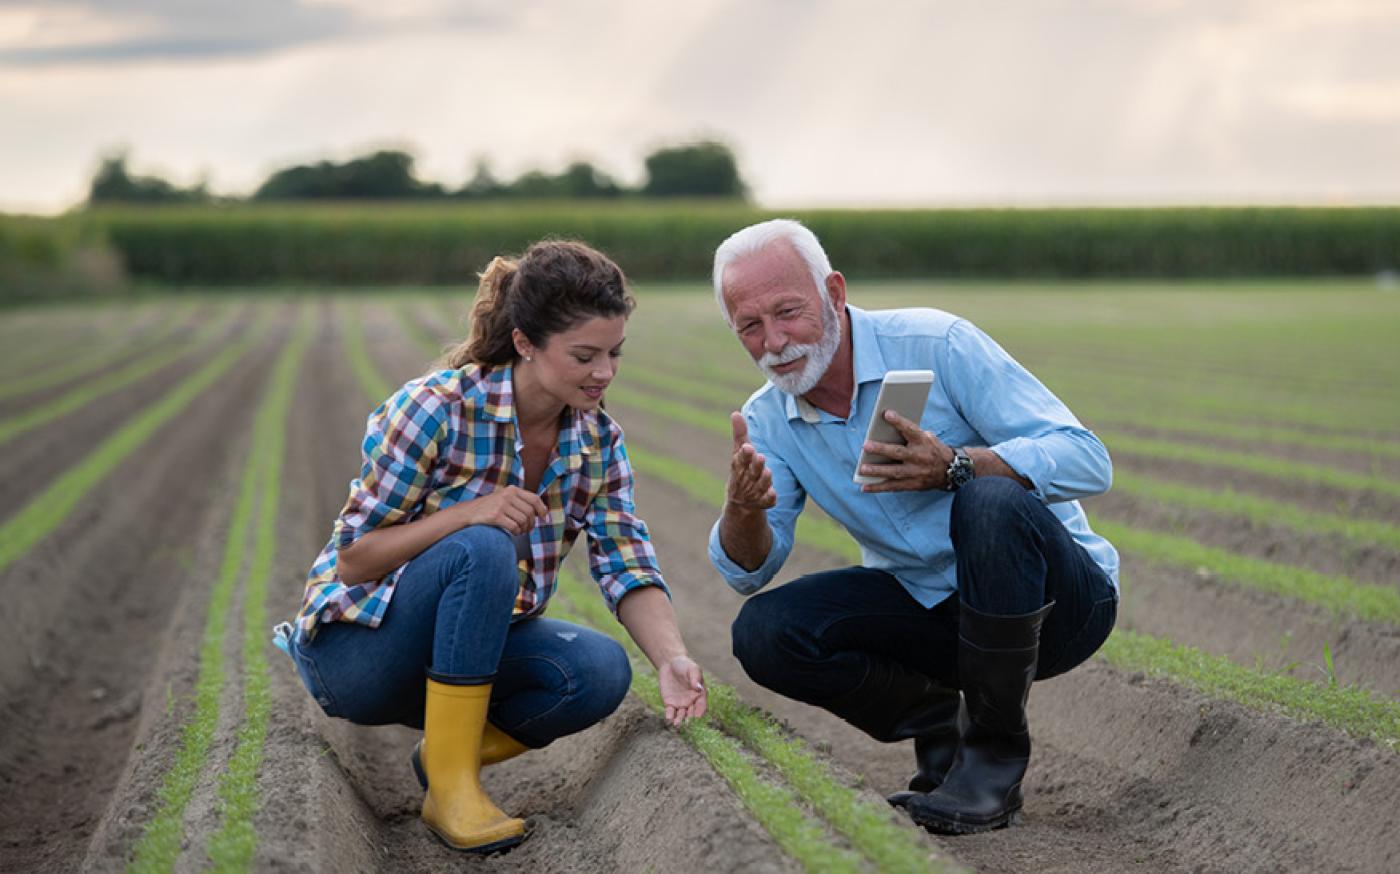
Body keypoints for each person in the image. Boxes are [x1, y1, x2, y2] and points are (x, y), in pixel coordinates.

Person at [275, 240, 708, 854]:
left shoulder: (597, 442)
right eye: (584, 355)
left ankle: (446, 758)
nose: (604, 373)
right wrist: (469, 513)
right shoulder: (435, 409)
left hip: (465, 651)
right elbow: (355, 558)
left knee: (598, 672)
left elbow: (625, 559)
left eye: (614, 353)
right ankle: (453, 791)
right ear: (526, 342)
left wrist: (671, 658)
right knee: (483, 544)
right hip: (358, 655)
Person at [707, 219, 1118, 835]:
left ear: (834, 293)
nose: (774, 341)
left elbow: (1089, 458)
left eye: (788, 312)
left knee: (989, 500)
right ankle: (938, 727)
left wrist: (956, 466)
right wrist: (742, 508)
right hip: (934, 615)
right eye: (750, 326)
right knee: (766, 631)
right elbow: (750, 570)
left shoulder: (937, 342)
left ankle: (991, 767)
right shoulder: (768, 419)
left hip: (1056, 604)